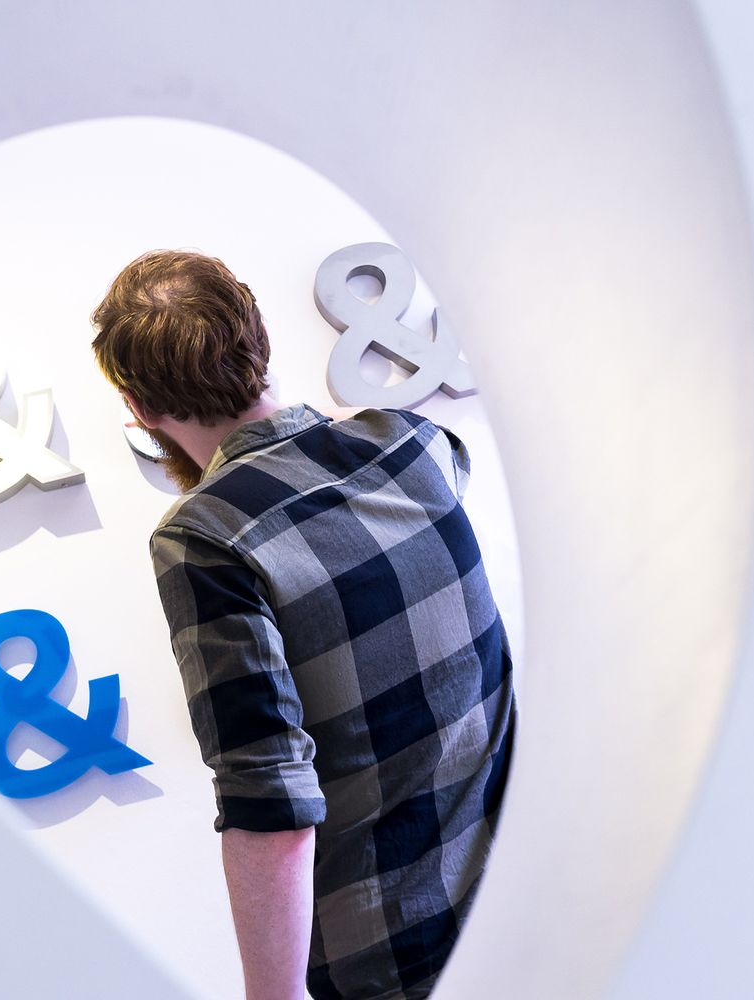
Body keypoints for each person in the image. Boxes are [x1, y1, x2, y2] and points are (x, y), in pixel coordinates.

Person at [91, 249, 516, 1000]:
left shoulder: (204, 538)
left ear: (140, 408)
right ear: (260, 340)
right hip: (523, 900)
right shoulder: (415, 445)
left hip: (394, 960)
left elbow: (270, 803)